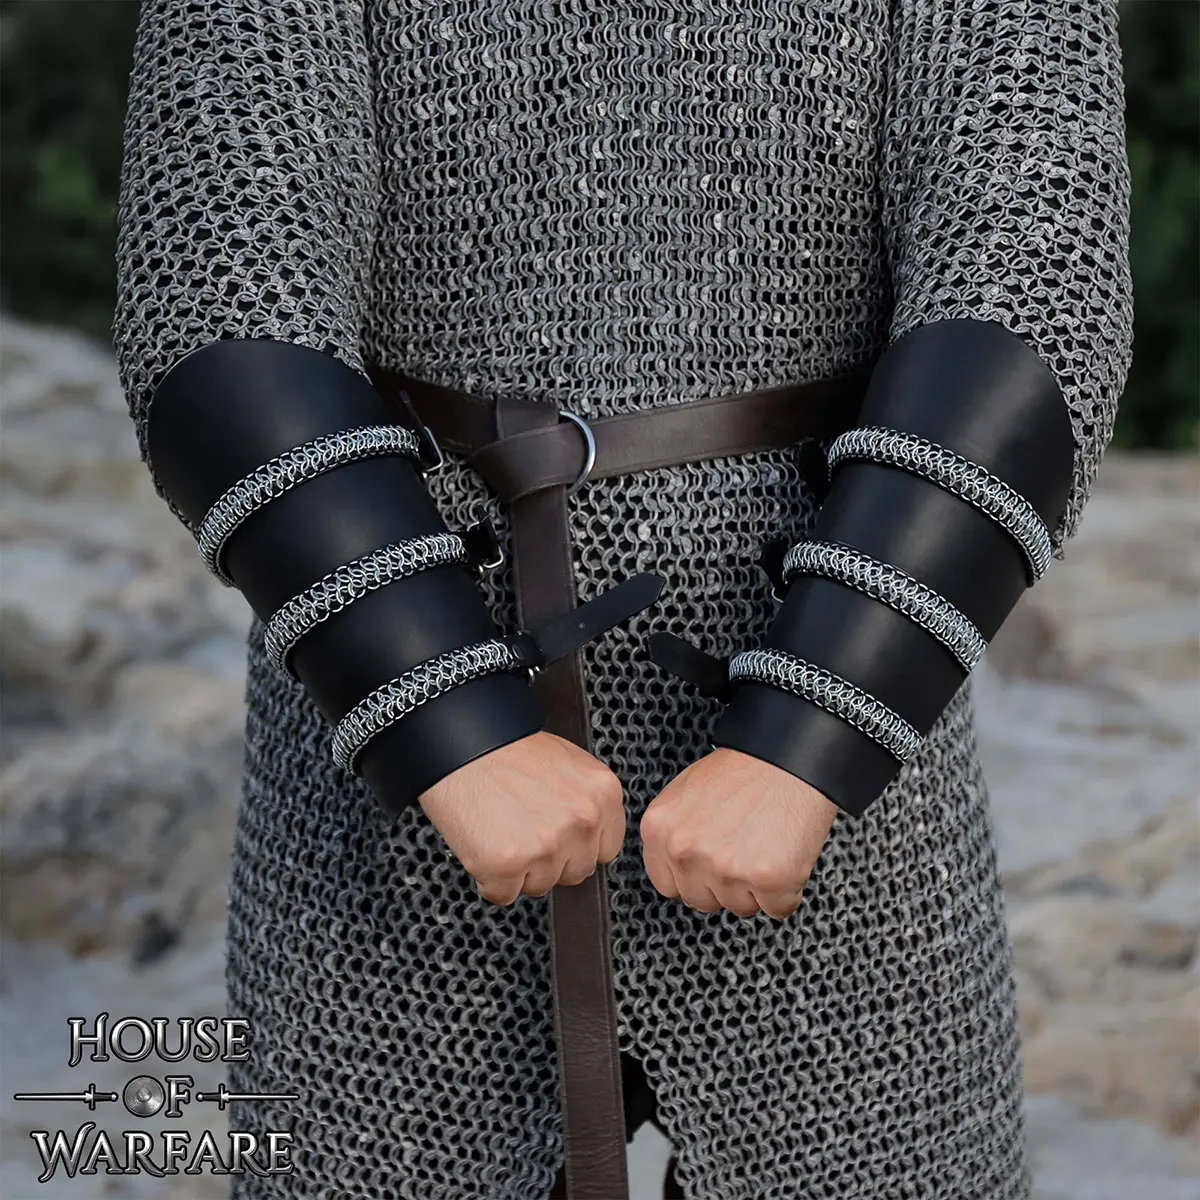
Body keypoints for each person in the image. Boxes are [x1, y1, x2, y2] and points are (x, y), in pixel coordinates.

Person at [113, 2, 1132, 1197]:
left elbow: (1033, 287)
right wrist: (443, 714)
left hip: (842, 810)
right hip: (399, 807)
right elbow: (222, 307)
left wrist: (817, 727)